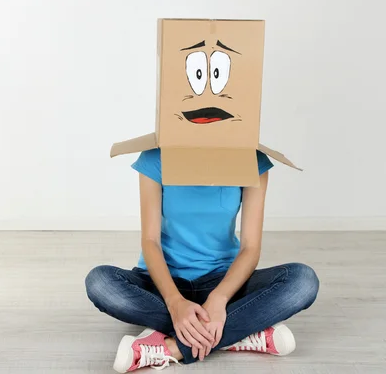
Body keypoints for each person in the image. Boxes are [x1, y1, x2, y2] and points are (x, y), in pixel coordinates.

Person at [85, 148, 319, 372]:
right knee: (100, 282)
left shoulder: (252, 160)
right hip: (162, 282)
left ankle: (172, 347)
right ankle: (237, 333)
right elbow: (150, 241)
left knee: (302, 280)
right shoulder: (155, 157)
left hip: (223, 282)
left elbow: (250, 247)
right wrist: (175, 302)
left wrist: (219, 299)